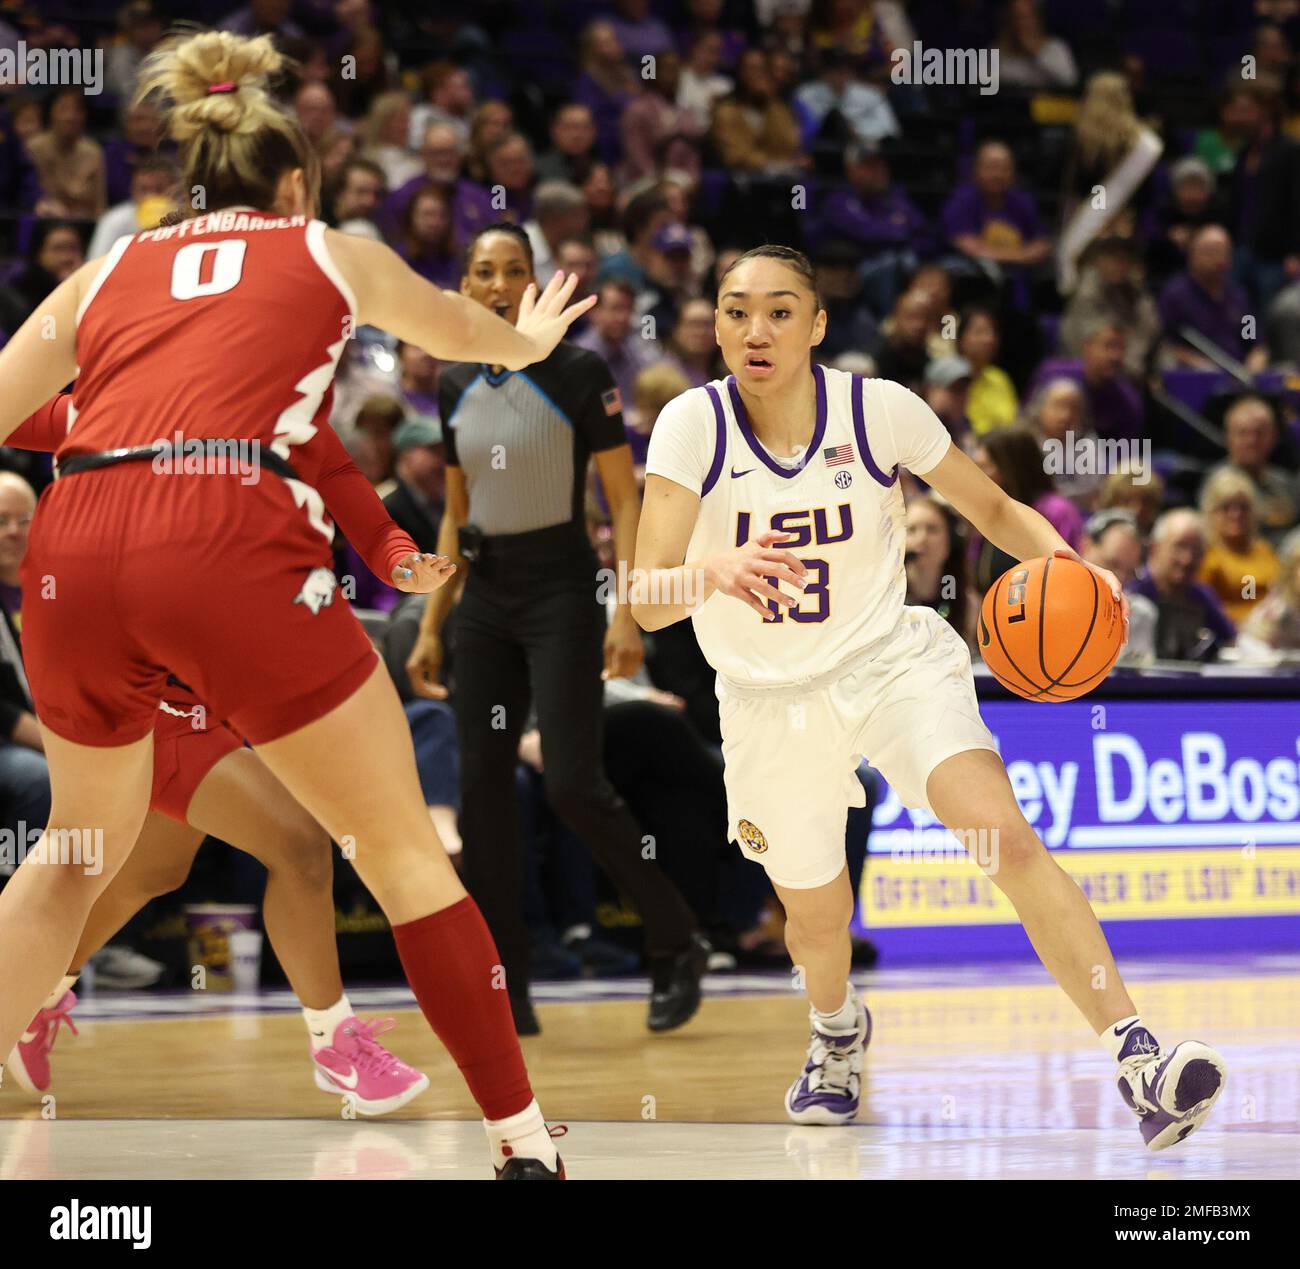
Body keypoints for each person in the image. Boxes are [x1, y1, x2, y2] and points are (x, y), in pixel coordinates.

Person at [0, 30, 598, 1180]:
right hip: (221, 532)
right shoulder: (330, 249)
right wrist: (525, 341)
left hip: (77, 542)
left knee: (73, 855)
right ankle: (523, 1146)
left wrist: (127, 434)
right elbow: (457, 333)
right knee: (400, 851)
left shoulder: (105, 269)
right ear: (293, 185)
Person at [633, 242, 1226, 1151]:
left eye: (781, 310)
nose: (756, 329)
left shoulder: (878, 412)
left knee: (1006, 834)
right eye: (736, 309)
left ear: (819, 325)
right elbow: (642, 593)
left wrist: (1072, 569)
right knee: (817, 921)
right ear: (714, 322)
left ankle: (1138, 1056)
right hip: (764, 698)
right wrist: (709, 569)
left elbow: (990, 510)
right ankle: (836, 1033)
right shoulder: (690, 425)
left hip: (889, 661)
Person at [3, 391, 429, 1112]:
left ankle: (38, 993)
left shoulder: (300, 429)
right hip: (147, 681)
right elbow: (17, 408)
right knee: (298, 845)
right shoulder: (149, 406)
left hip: (230, 684)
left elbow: (376, 529)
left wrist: (411, 565)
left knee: (151, 869)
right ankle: (336, 1042)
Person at [405, 222, 707, 1036]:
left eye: (514, 270)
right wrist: (434, 621)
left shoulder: (576, 370)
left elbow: (624, 499)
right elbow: (456, 514)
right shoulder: (452, 379)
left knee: (574, 782)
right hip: (486, 600)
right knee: (483, 796)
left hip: (563, 591)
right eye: (484, 270)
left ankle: (674, 937)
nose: (499, 283)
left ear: (534, 283)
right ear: (465, 287)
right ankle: (509, 981)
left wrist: (628, 609)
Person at [1129, 510, 1236, 661]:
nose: (1188, 559)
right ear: (1154, 547)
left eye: (1196, 550)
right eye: (1179, 546)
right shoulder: (1133, 591)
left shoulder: (1200, 596)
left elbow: (1230, 640)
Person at [1201, 395, 1299, 544]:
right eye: (1242, 433)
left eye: (1259, 433)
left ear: (1274, 437)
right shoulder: (1216, 485)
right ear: (1228, 437)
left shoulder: (1286, 483)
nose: (1251, 441)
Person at [1197, 467, 1281, 626]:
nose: (1236, 514)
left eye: (1243, 507)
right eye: (1226, 507)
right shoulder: (1206, 555)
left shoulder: (1264, 549)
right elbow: (1204, 608)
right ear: (1211, 512)